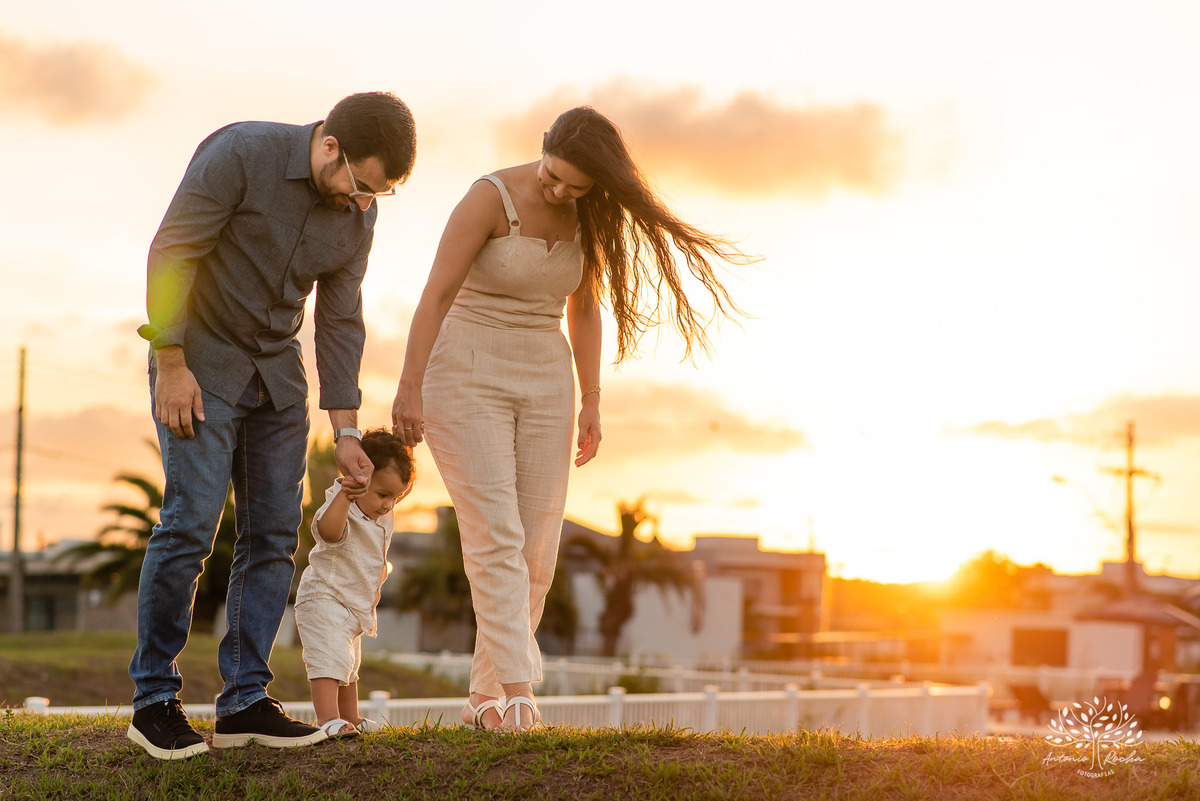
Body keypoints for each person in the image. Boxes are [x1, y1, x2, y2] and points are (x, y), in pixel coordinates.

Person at [391, 106, 747, 731]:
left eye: (575, 187)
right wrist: (409, 385)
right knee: (495, 536)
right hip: (465, 366)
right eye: (554, 176)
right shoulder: (489, 196)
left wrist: (593, 398)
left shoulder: (591, 216)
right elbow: (437, 293)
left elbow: (584, 310)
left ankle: (485, 700)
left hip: (546, 375)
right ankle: (522, 691)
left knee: (537, 551)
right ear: (544, 150)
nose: (558, 191)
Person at [127, 91, 417, 760]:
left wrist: (346, 430)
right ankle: (152, 701)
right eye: (361, 184)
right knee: (193, 520)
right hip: (199, 360)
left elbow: (340, 320)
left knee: (274, 536)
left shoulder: (357, 217)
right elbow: (171, 251)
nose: (363, 201)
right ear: (329, 146)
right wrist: (170, 362)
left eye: (381, 194)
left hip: (278, 380)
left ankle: (245, 702)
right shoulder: (241, 154)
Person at [294, 429, 415, 738]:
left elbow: (393, 490)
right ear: (357, 477)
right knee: (329, 660)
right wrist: (345, 496)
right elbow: (327, 531)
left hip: (352, 606)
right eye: (383, 494)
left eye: (394, 497)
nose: (388, 505)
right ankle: (327, 719)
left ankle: (350, 716)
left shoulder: (377, 514)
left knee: (349, 666)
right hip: (325, 598)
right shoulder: (341, 504)